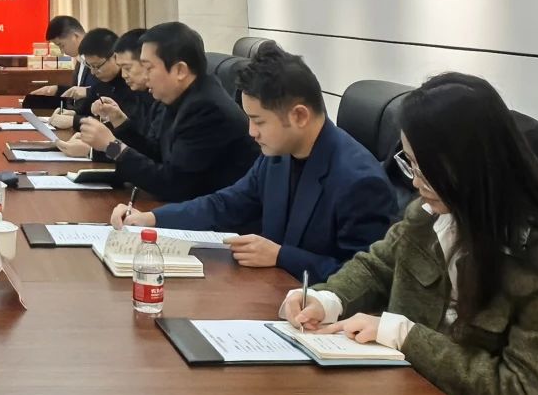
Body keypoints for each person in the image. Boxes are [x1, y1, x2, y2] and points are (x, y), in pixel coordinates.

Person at [281, 73, 538, 395]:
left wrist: (405, 336)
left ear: (473, 166)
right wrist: (327, 299)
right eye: (410, 163)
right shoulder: (430, 214)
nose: (415, 182)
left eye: (424, 167)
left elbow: (522, 394)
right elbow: (377, 265)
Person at [112, 44, 395, 282]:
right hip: (273, 293)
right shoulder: (279, 154)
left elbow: (366, 279)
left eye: (259, 121)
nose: (251, 132)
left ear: (299, 116)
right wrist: (152, 219)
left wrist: (281, 256)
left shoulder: (359, 181)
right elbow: (226, 204)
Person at [63, 21, 259, 201]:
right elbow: (154, 154)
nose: (145, 76)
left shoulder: (207, 109)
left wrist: (112, 146)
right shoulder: (174, 97)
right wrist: (121, 122)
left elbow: (172, 185)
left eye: (148, 68)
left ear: (180, 71)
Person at [89, 28, 163, 151]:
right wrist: (118, 119)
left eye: (128, 68)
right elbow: (142, 148)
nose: (123, 75)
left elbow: (151, 157)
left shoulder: (169, 103)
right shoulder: (140, 94)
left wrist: (95, 151)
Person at [48, 28, 125, 131]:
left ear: (115, 57)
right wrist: (74, 113)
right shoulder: (102, 83)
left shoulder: (131, 83)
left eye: (97, 66)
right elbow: (88, 109)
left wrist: (74, 121)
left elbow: (123, 128)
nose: (93, 72)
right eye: (90, 66)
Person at [27, 15, 93, 99]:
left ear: (75, 36)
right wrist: (57, 90)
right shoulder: (80, 58)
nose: (62, 51)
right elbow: (78, 90)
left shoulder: (99, 55)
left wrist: (87, 92)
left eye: (61, 45)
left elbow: (103, 91)